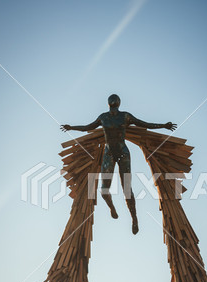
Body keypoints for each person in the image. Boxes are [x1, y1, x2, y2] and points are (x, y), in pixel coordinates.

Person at [61, 94, 177, 234]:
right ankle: (112, 208)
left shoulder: (125, 116)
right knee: (104, 191)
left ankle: (134, 218)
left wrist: (163, 125)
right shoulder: (103, 117)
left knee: (127, 189)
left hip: (123, 153)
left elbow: (144, 124)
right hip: (109, 153)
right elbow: (88, 127)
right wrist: (71, 127)